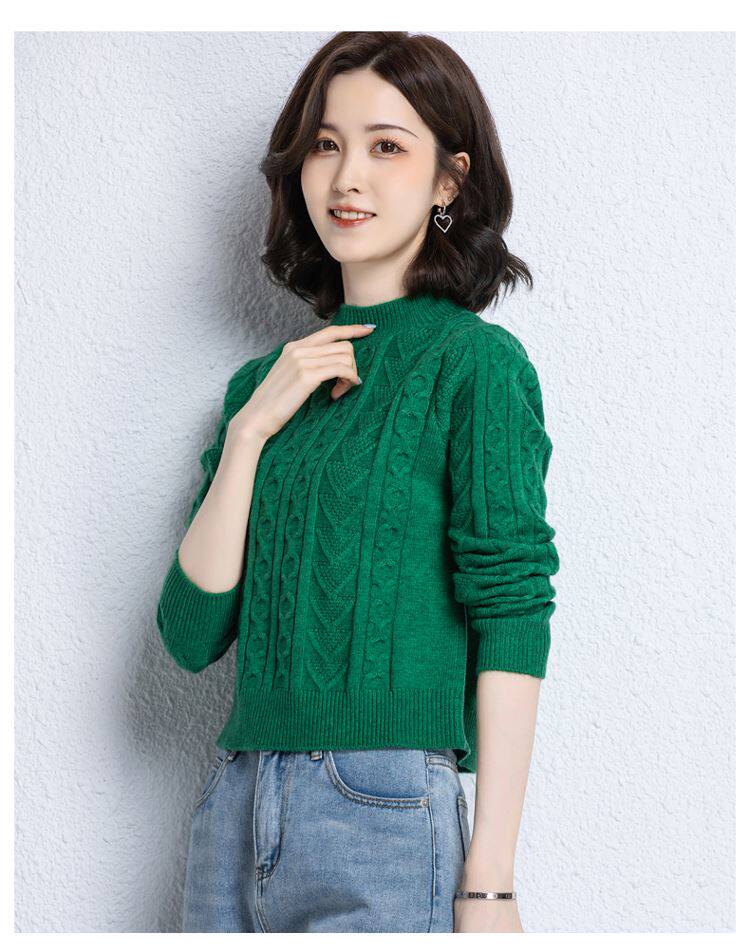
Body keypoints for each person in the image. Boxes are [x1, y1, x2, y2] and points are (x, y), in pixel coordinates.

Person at [156, 31, 559, 934]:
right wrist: (252, 431)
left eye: (386, 146)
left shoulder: (475, 366)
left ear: (449, 180)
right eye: (326, 145)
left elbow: (512, 610)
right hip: (235, 803)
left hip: (383, 805)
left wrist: (491, 880)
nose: (347, 177)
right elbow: (189, 634)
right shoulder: (260, 388)